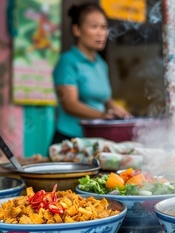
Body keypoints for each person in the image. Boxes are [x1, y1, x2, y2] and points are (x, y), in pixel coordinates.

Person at [51, 3, 132, 144]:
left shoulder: (101, 64)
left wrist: (120, 112)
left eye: (104, 27)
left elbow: (105, 98)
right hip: (70, 140)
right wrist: (103, 115)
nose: (101, 33)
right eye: (94, 27)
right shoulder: (68, 61)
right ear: (77, 30)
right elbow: (69, 104)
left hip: (93, 139)